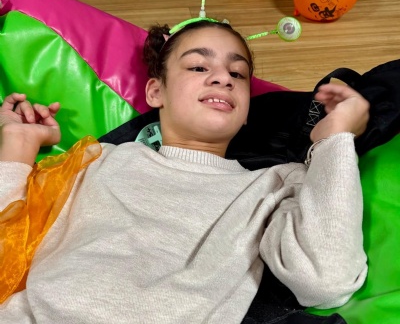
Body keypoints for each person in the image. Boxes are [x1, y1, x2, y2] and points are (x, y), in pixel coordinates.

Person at [0, 20, 370, 323]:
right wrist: (18, 142)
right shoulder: (100, 159)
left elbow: (325, 280)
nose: (223, 78)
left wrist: (334, 141)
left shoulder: (272, 184)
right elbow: (9, 235)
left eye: (238, 73)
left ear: (246, 110)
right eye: (198, 67)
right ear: (155, 92)